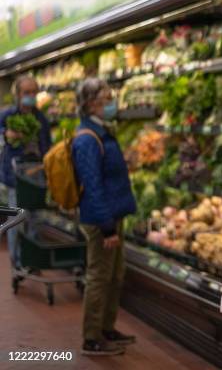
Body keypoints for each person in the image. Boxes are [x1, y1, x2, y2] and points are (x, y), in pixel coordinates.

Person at [72, 78, 136, 356]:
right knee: (99, 277)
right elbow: (93, 187)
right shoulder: (87, 138)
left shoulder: (101, 131)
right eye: (107, 98)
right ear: (90, 104)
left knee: (114, 276)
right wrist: (108, 227)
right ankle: (92, 338)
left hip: (113, 215)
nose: (112, 103)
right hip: (102, 222)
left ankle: (107, 328)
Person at [0, 75, 51, 267]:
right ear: (18, 95)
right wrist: (6, 134)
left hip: (36, 175)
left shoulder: (42, 119)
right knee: (16, 220)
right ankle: (17, 261)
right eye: (26, 92)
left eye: (33, 92)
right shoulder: (7, 116)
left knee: (36, 219)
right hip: (15, 177)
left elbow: (48, 147)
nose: (31, 96)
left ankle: (33, 259)